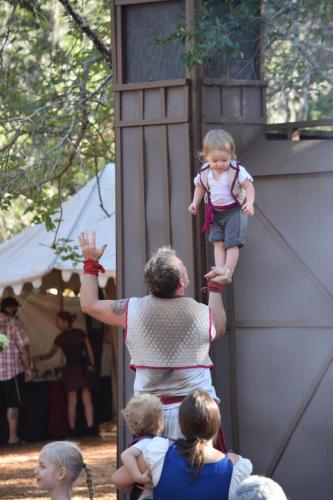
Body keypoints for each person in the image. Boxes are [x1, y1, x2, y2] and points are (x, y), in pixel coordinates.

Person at [78, 230, 227, 448]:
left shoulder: (131, 310)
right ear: (181, 282)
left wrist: (91, 263)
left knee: (153, 478)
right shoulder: (201, 313)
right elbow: (220, 328)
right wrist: (215, 288)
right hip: (196, 413)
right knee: (201, 474)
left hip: (150, 415)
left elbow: (88, 304)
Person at [113, 389, 253, 500]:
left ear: (181, 424)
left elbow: (119, 480)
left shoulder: (159, 453)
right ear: (217, 423)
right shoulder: (236, 468)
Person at [188, 129, 255, 284]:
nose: (219, 164)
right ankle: (219, 268)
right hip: (215, 213)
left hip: (234, 211)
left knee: (232, 243)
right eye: (215, 160)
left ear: (231, 155)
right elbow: (200, 187)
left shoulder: (237, 170)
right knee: (217, 241)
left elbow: (249, 186)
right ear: (206, 157)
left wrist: (250, 203)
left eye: (224, 160)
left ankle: (228, 271)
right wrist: (194, 202)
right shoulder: (205, 172)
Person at [33, 311, 95, 436]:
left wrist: (38, 357)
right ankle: (90, 428)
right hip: (83, 368)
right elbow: (90, 352)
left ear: (65, 322)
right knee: (87, 400)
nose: (56, 323)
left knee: (72, 401)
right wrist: (92, 366)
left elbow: (50, 354)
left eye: (58, 321)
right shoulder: (80, 333)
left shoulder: (60, 338)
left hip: (70, 369)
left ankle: (72, 429)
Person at [112, 393, 164, 499]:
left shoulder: (145, 442)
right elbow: (126, 454)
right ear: (159, 423)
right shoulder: (147, 443)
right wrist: (138, 477)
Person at [0, 296, 32, 445]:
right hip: (11, 371)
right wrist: (28, 368)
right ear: (10, 308)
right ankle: (13, 438)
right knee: (12, 405)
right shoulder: (15, 324)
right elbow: (23, 349)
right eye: (15, 308)